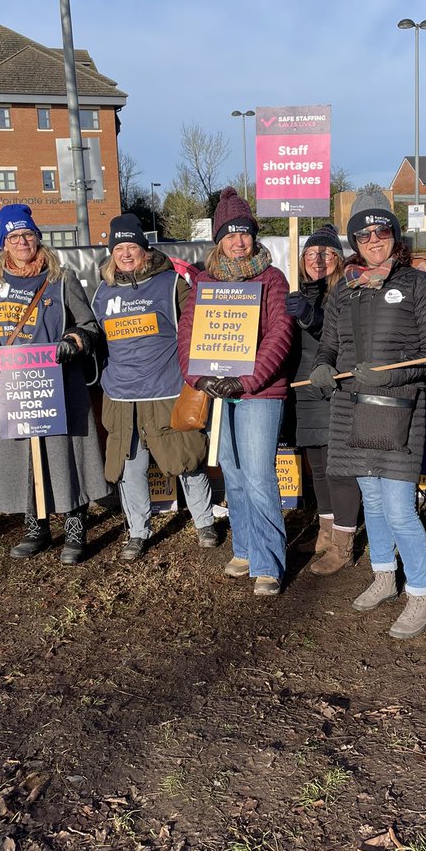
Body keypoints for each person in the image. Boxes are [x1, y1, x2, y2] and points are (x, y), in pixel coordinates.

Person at [309, 190, 426, 639]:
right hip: (351, 407)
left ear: (395, 235)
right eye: (364, 233)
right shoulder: (345, 288)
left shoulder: (418, 285)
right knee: (371, 500)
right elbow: (329, 345)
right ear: (354, 240)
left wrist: (389, 377)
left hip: (399, 409)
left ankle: (421, 596)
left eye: (382, 230)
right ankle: (385, 578)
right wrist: (322, 368)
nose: (374, 239)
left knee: (398, 508)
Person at [0, 204, 109, 562]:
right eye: (14, 236)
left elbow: (90, 327)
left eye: (28, 234)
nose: (22, 241)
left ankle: (75, 532)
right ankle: (37, 529)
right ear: (4, 242)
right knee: (26, 458)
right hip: (15, 387)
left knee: (65, 458)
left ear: (38, 238)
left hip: (59, 383)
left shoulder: (62, 278)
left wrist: (72, 342)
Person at [177, 188, 292, 597]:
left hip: (260, 392)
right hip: (219, 395)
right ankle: (244, 547)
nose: (238, 242)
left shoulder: (272, 279)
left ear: (254, 236)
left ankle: (269, 561)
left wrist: (246, 381)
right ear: (218, 240)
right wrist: (199, 378)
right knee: (233, 471)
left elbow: (280, 335)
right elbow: (187, 335)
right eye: (230, 235)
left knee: (260, 475)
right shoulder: (204, 282)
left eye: (245, 234)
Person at [91, 213, 217, 561]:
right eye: (119, 247)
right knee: (130, 467)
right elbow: (98, 339)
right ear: (112, 252)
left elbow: (194, 331)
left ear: (146, 250)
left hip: (167, 390)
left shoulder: (171, 283)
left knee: (187, 459)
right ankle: (137, 532)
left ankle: (204, 522)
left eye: (133, 246)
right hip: (121, 395)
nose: (126, 253)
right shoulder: (103, 291)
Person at [284, 224, 362, 575]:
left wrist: (310, 316)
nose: (319, 259)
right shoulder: (295, 291)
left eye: (328, 253)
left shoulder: (346, 292)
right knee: (317, 467)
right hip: (304, 390)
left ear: (339, 259)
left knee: (339, 469)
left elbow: (341, 336)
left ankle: (344, 542)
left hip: (333, 388)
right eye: (312, 253)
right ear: (301, 260)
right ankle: (326, 532)